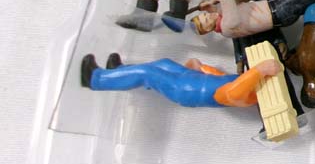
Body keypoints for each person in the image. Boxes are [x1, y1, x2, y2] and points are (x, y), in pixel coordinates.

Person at [81, 51, 282, 109]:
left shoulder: (244, 97)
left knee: (147, 74)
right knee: (164, 63)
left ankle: (97, 79)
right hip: (191, 77)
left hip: (184, 89)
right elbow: (220, 78)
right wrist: (202, 67)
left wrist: (258, 71)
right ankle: (120, 72)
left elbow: (231, 91)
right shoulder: (247, 83)